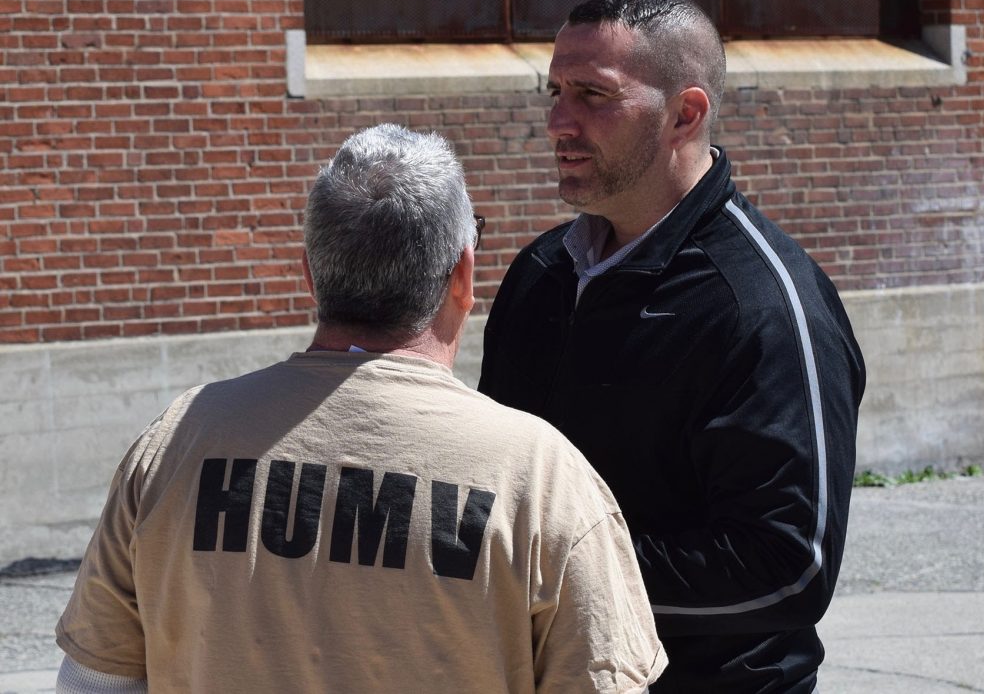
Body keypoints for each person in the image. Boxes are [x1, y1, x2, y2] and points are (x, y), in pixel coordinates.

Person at [55, 124, 666, 693]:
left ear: (311, 275)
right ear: (462, 273)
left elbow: (94, 681)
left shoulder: (177, 444)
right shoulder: (542, 478)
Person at [478, 0, 866, 693]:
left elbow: (789, 568)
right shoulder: (540, 274)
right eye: (555, 91)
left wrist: (561, 583)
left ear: (685, 114)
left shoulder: (766, 308)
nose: (559, 122)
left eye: (594, 96)